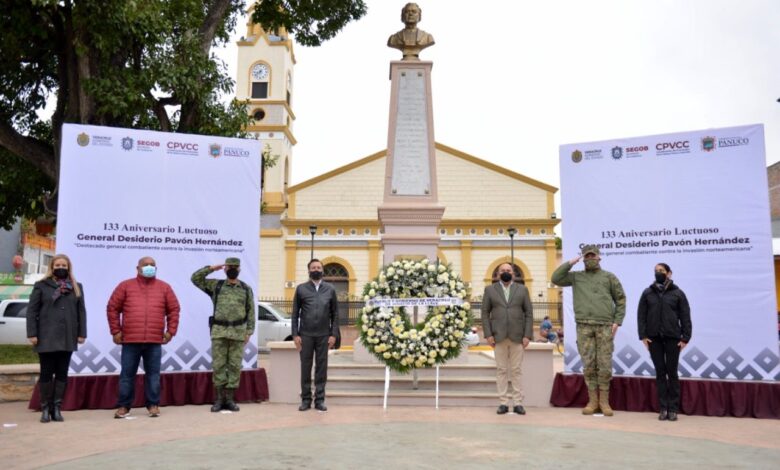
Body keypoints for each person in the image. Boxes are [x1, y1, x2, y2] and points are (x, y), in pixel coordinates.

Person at [551, 245, 626, 416]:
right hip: (584, 326)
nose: (590, 259)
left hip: (604, 325)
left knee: (604, 364)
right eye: (587, 256)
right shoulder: (577, 277)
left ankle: (604, 402)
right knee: (589, 364)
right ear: (583, 259)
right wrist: (570, 262)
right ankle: (592, 401)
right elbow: (556, 278)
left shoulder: (609, 277)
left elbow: (621, 299)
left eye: (593, 256)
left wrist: (617, 321)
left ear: (599, 258)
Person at [107, 256, 180, 419]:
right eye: (145, 265)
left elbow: (174, 310)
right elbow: (112, 308)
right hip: (130, 340)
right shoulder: (125, 286)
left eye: (152, 265)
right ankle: (124, 406)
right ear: (137, 268)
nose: (149, 267)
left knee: (153, 375)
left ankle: (153, 404)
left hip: (154, 341)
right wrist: (115, 331)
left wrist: (170, 332)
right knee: (127, 375)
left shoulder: (164, 287)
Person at [26, 254, 87, 423]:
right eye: (58, 265)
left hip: (67, 336)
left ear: (69, 268)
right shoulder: (41, 286)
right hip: (46, 336)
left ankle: (57, 408)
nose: (61, 267)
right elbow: (32, 311)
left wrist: (82, 333)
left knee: (62, 373)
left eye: (64, 265)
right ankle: (45, 408)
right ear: (52, 267)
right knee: (46, 373)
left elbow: (81, 312)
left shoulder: (76, 286)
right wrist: (32, 333)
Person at [191, 257, 255, 413]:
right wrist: (212, 268)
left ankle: (230, 399)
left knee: (234, 366)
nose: (232, 269)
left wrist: (249, 331)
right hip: (219, 331)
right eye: (229, 266)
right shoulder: (216, 286)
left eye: (235, 266)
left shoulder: (246, 288)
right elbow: (195, 278)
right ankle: (219, 399)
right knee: (219, 365)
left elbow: (251, 311)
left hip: (238, 332)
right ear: (225, 269)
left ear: (239, 269)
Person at [637, 263, 692, 421]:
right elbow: (641, 315)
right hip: (654, 339)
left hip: (673, 339)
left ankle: (673, 408)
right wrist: (643, 336)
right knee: (660, 373)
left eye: (661, 271)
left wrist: (685, 338)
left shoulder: (678, 293)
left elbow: (685, 316)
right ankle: (663, 408)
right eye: (656, 271)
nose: (658, 273)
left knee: (672, 373)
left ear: (669, 273)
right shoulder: (648, 293)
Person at [481, 262, 533, 415]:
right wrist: (488, 334)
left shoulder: (522, 289)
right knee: (501, 370)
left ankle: (518, 403)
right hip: (498, 336)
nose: (505, 272)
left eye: (508, 270)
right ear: (497, 274)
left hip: (518, 336)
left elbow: (529, 313)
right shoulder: (489, 290)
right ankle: (503, 403)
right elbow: (485, 313)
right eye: (502, 270)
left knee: (516, 370)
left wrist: (527, 335)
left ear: (513, 273)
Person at [292, 259, 339, 412]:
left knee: (321, 369)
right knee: (305, 368)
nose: (316, 269)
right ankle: (305, 400)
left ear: (322, 270)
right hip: (305, 335)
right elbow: (294, 314)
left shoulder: (330, 289)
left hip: (324, 336)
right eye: (313, 267)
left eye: (319, 267)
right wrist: (295, 334)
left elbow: (335, 314)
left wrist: (333, 334)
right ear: (309, 270)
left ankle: (319, 400)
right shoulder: (301, 289)